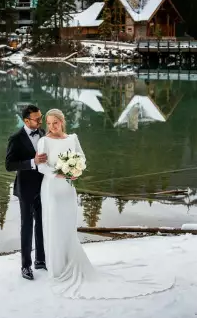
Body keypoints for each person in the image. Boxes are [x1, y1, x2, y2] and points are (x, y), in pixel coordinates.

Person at [35, 109, 175, 299]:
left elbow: (81, 158)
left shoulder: (72, 138)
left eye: (55, 123)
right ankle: (57, 268)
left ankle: (70, 260)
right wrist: (58, 174)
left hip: (68, 188)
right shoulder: (44, 141)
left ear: (62, 122)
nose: (52, 127)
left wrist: (75, 171)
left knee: (67, 225)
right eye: (49, 123)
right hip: (51, 188)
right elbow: (41, 166)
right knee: (53, 224)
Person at [5, 104, 47, 280]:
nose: (40, 121)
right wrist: (32, 162)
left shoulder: (44, 133)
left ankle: (41, 260)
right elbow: (9, 165)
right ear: (26, 120)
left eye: (40, 117)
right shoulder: (16, 138)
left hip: (45, 187)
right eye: (37, 119)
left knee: (42, 225)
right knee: (27, 226)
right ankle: (25, 266)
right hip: (26, 189)